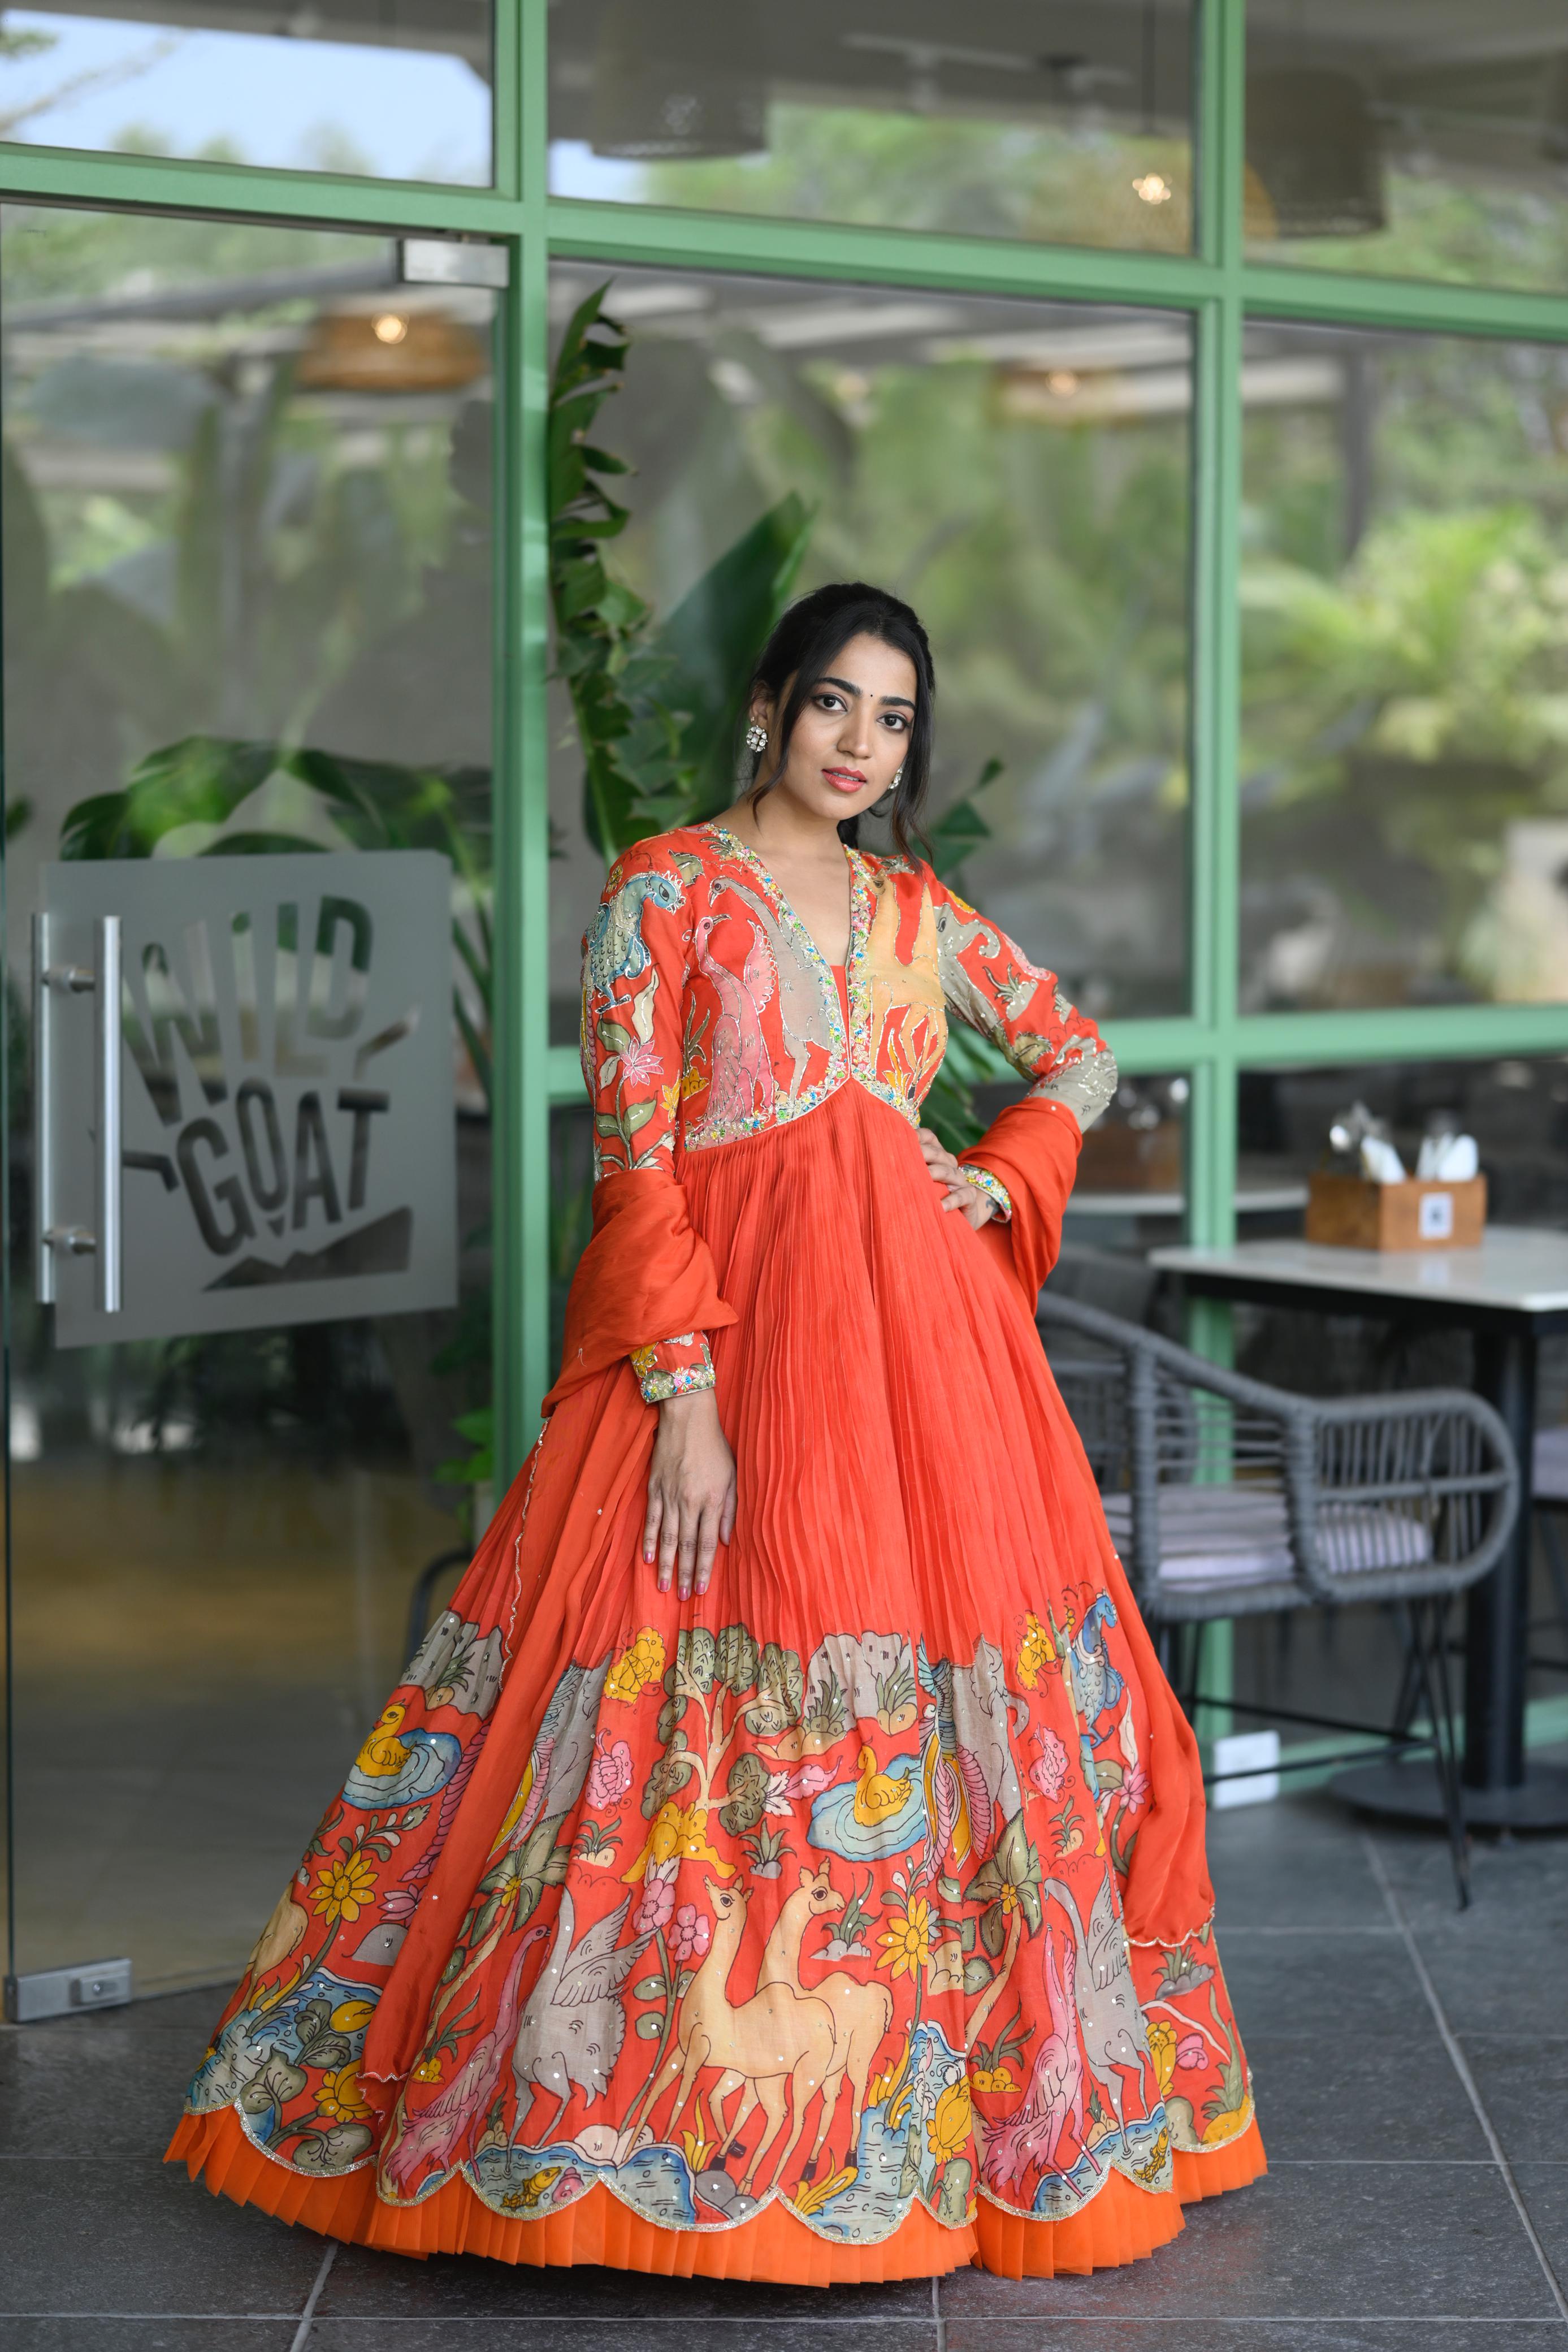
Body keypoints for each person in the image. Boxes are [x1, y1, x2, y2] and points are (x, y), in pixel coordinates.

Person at [168, 581, 1263, 2282]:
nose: (860, 745)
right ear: (769, 704)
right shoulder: (664, 891)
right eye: (836, 704)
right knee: (661, 1680)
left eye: (894, 720)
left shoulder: (915, 910)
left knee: (962, 1717)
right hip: (726, 1355)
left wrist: (997, 1175)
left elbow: (1079, 1052)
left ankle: (940, 2130)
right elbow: (639, 1167)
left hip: (921, 1372)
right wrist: (682, 1401)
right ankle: (615, 2131)